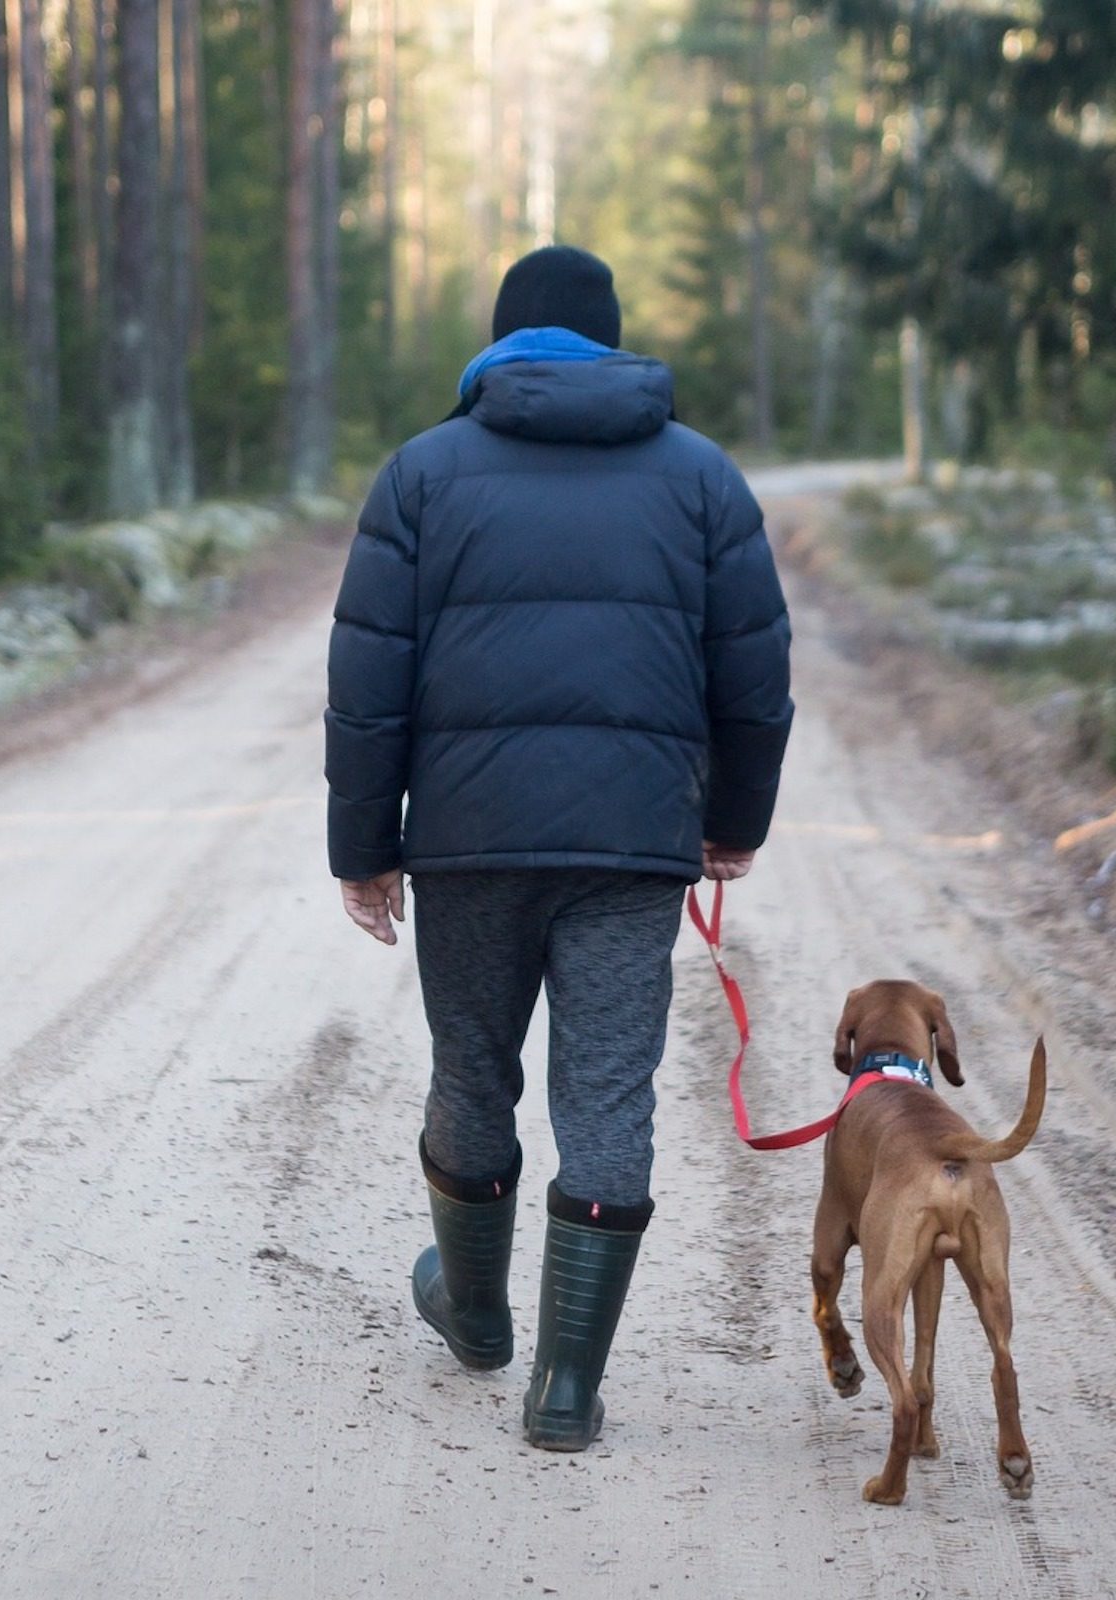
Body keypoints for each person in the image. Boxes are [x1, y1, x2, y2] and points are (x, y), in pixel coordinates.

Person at [324, 245, 793, 1451]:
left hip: (471, 842)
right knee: (607, 1091)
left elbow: (367, 688)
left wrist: (364, 847)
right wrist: (732, 820)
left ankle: (477, 1313)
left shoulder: (421, 475)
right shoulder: (702, 479)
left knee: (472, 1067)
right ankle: (567, 1388)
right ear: (614, 341)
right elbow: (756, 677)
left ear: (499, 341)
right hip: (632, 848)